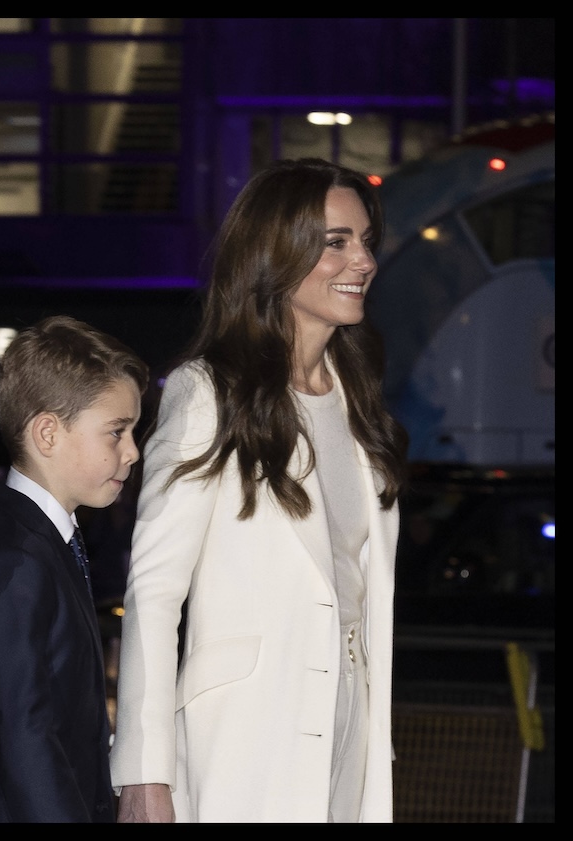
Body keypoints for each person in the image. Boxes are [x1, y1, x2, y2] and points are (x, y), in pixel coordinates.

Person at [109, 158, 410, 823]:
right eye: (336, 241)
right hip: (240, 741)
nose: (363, 259)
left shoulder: (359, 403)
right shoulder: (208, 393)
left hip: (346, 737)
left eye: (365, 241)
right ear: (277, 251)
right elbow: (155, 594)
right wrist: (144, 773)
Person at [0, 314, 149, 822]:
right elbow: (26, 741)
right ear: (48, 434)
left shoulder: (38, 542)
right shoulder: (14, 561)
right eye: (116, 432)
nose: (133, 451)